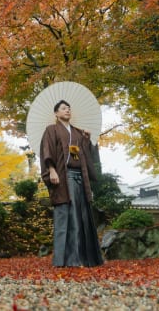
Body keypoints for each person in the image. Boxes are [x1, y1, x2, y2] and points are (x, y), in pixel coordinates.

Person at [39, 99, 104, 267]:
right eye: (63, 108)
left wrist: (86, 140)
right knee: (66, 216)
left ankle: (82, 258)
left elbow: (83, 155)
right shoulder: (51, 130)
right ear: (56, 113)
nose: (67, 110)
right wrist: (51, 170)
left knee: (81, 217)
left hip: (79, 177)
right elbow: (47, 150)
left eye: (68, 108)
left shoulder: (76, 132)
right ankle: (65, 260)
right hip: (63, 176)